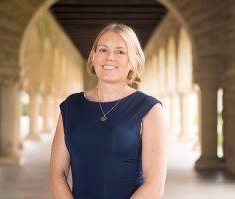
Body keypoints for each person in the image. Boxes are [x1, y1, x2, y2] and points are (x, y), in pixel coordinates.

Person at [50, 23, 167, 199]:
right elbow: (56, 174)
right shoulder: (70, 107)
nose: (110, 57)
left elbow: (155, 186)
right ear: (93, 56)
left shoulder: (150, 110)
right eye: (103, 50)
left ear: (133, 60)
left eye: (120, 51)